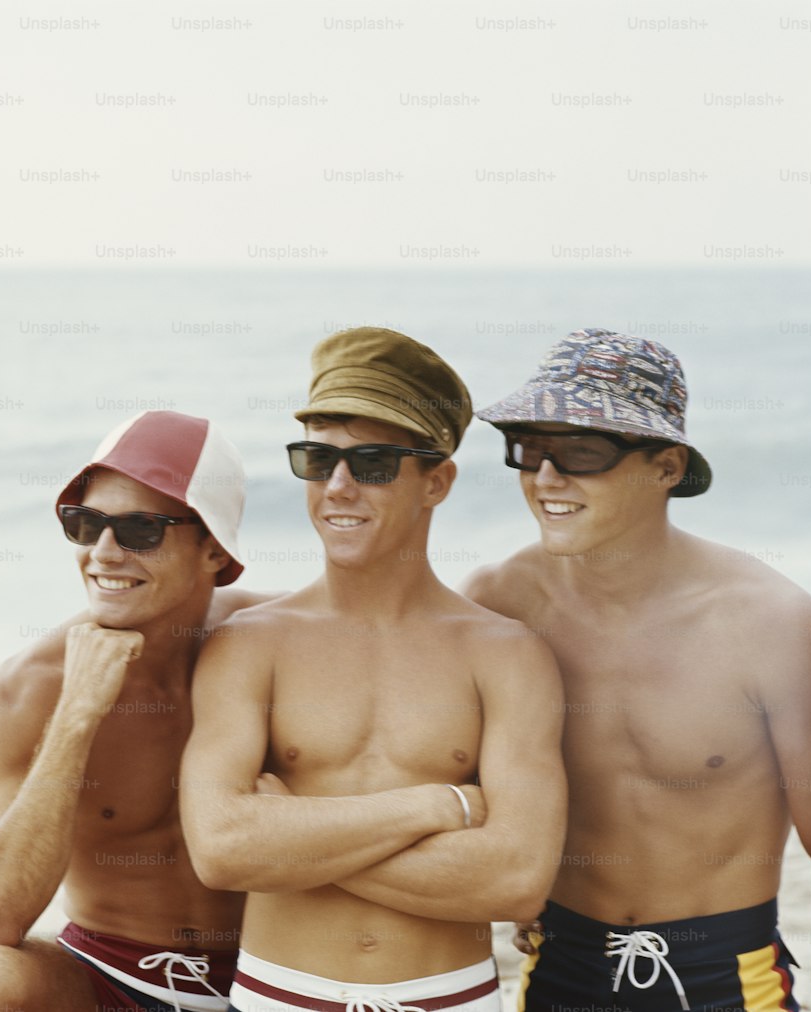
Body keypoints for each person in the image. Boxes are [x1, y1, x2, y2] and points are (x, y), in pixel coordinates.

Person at [180, 327, 567, 1012]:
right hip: (280, 996)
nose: (338, 486)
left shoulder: (506, 655)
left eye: (375, 463)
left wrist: (292, 832)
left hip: (451, 999)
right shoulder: (249, 646)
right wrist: (437, 807)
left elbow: (516, 880)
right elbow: (221, 851)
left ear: (437, 481)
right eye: (317, 458)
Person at [462, 328, 811, 1012]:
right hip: (558, 967)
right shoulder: (497, 603)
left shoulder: (773, 624)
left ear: (666, 467)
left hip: (725, 978)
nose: (546, 478)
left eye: (580, 452)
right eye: (529, 449)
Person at [0, 410, 271, 1012]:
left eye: (140, 529)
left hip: (273, 978)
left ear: (213, 549)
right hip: (115, 978)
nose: (103, 553)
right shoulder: (27, 689)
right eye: (86, 524)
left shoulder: (277, 646)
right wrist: (77, 713)